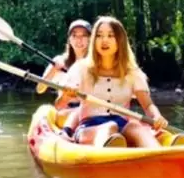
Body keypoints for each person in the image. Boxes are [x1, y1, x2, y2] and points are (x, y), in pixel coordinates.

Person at [57, 16, 169, 148]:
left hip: (122, 127)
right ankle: (108, 153)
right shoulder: (81, 68)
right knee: (110, 127)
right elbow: (59, 104)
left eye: (110, 35)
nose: (104, 40)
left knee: (135, 126)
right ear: (94, 40)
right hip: (89, 129)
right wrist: (66, 94)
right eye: (99, 35)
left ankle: (158, 155)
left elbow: (148, 105)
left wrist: (157, 117)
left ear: (120, 40)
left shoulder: (132, 72)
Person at [39, 19, 91, 130]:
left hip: (89, 110)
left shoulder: (95, 64)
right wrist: (53, 70)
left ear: (90, 39)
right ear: (69, 39)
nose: (79, 40)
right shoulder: (59, 61)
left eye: (83, 36)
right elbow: (40, 89)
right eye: (74, 36)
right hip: (65, 110)